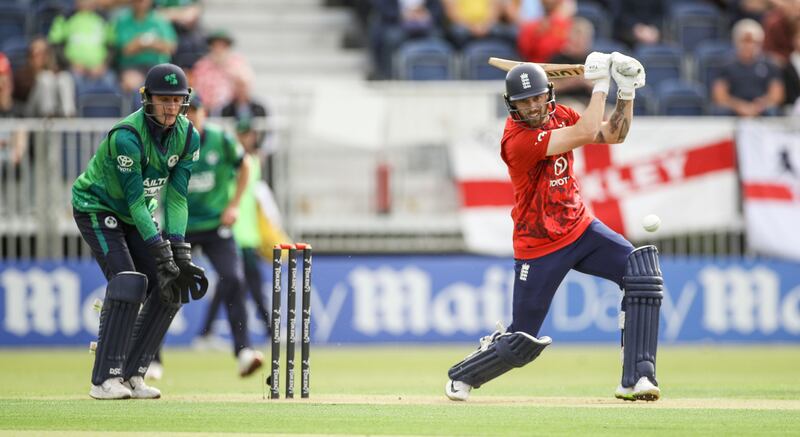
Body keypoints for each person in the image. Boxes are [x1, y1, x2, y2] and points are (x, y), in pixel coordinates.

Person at [444, 52, 664, 403]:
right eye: (523, 101)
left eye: (537, 98)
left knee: (642, 276)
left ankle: (638, 377)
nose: (532, 107)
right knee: (522, 341)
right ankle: (465, 373)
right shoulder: (516, 141)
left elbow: (612, 135)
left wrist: (626, 91)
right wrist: (600, 84)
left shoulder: (560, 114)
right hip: (539, 245)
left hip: (580, 228)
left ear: (549, 94)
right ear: (511, 105)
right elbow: (587, 130)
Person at [72, 63, 207, 400]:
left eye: (177, 100)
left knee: (170, 284)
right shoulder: (127, 137)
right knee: (128, 279)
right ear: (146, 99)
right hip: (97, 207)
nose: (171, 108)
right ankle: (104, 379)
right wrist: (158, 247)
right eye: (163, 99)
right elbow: (134, 200)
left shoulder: (189, 135)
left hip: (137, 214)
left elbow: (176, 198)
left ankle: (133, 373)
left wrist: (177, 248)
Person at [180, 94, 264, 377]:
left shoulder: (221, 139)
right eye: (185, 111)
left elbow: (245, 166)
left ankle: (244, 351)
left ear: (204, 113)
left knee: (235, 279)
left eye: (195, 111)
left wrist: (233, 205)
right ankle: (150, 359)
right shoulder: (169, 142)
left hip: (216, 226)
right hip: (182, 226)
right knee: (164, 287)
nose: (190, 116)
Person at [711, 18, 785, 116]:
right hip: (734, 109)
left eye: (753, 41)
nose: (749, 46)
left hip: (761, 109)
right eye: (745, 41)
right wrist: (739, 106)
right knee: (720, 110)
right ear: (736, 41)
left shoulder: (769, 65)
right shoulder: (726, 65)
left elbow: (777, 95)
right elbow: (719, 95)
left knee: (773, 110)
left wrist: (760, 105)